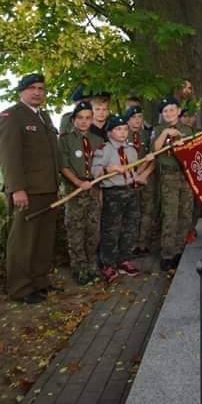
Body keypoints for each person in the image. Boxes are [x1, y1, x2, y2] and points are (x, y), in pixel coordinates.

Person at [0, 73, 61, 304]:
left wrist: (56, 184)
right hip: (27, 191)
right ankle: (20, 288)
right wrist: (17, 189)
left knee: (43, 240)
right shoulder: (12, 116)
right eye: (32, 88)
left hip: (48, 189)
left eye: (41, 88)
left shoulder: (44, 116)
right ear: (21, 91)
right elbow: (9, 156)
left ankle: (39, 282)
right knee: (23, 241)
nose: (37, 92)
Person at [58, 101, 104, 285]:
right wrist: (78, 182)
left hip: (93, 189)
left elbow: (101, 164)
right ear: (74, 119)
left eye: (87, 118)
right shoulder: (65, 140)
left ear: (92, 119)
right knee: (76, 230)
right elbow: (63, 166)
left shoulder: (98, 141)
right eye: (80, 118)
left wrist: (99, 176)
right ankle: (79, 269)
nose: (84, 122)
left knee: (93, 230)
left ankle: (92, 266)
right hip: (75, 190)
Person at [92, 115, 142, 282]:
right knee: (111, 229)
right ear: (110, 132)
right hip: (113, 192)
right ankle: (108, 264)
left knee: (130, 227)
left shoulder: (131, 150)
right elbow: (94, 172)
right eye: (118, 129)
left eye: (125, 129)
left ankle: (124, 259)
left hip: (131, 191)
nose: (123, 132)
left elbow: (134, 172)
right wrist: (108, 170)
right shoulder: (104, 149)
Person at [152, 97, 196, 270]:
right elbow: (155, 150)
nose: (169, 113)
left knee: (185, 214)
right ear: (162, 115)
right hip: (168, 177)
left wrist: (182, 143)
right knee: (170, 215)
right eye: (165, 111)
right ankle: (167, 254)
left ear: (178, 111)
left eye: (172, 110)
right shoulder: (158, 129)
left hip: (185, 176)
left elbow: (195, 152)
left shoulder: (187, 129)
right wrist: (165, 134)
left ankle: (179, 251)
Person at [125, 105, 157, 255]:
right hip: (128, 179)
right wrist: (134, 175)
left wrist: (142, 174)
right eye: (133, 118)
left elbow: (153, 156)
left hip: (146, 179)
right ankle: (130, 245)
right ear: (128, 120)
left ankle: (143, 244)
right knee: (131, 212)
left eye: (139, 117)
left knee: (147, 211)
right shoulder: (123, 134)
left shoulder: (147, 134)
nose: (137, 120)